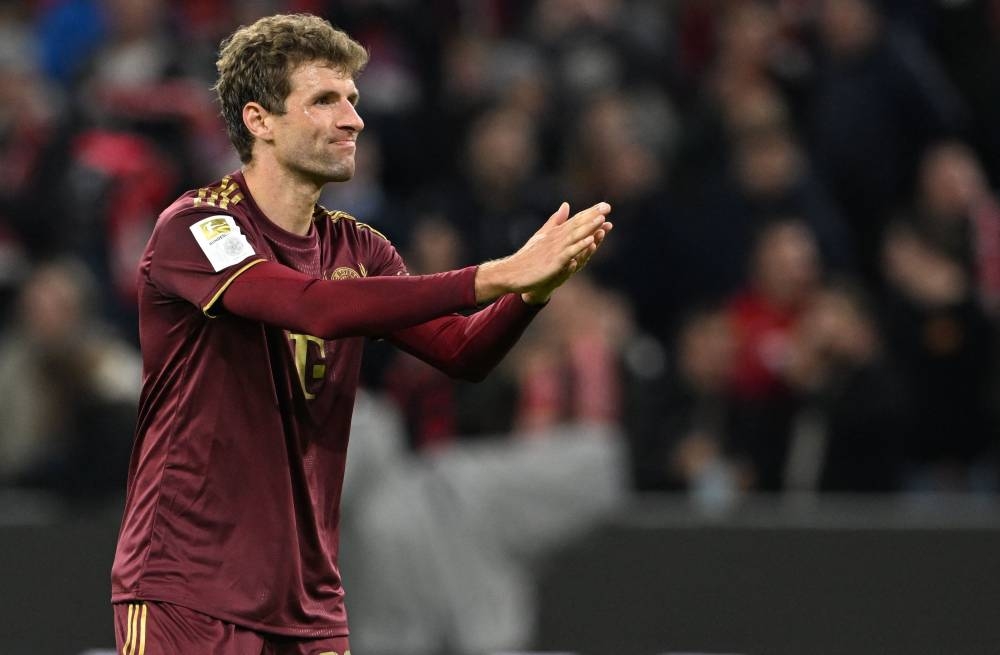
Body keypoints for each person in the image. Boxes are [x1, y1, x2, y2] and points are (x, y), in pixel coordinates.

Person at [109, 13, 613, 655]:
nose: (353, 120)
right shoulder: (198, 227)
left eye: (352, 100)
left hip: (309, 603)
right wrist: (493, 275)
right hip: (187, 586)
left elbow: (462, 351)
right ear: (260, 120)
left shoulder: (358, 246)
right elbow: (312, 308)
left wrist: (531, 293)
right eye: (325, 100)